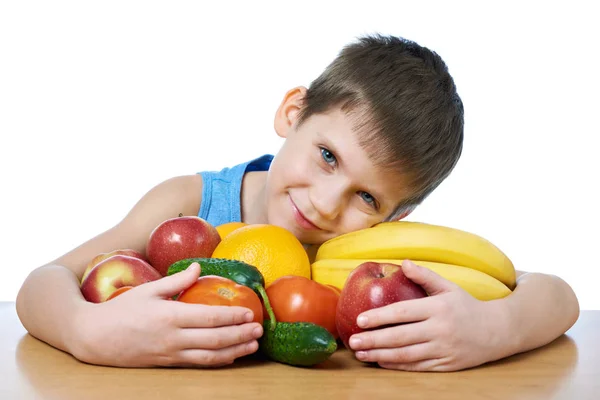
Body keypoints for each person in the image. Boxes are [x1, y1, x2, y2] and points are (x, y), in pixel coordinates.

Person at [16, 34, 579, 372]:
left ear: (397, 216)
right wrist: (86, 333)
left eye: (367, 196)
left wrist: (496, 328)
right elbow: (43, 282)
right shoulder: (189, 205)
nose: (328, 204)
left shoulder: (375, 259)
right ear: (293, 114)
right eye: (328, 156)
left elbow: (553, 295)